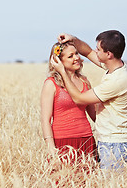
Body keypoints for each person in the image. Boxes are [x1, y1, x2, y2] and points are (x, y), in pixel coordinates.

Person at [51, 30, 127, 170]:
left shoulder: (117, 80)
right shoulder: (115, 66)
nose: (95, 51)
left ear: (109, 54)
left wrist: (63, 72)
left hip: (114, 143)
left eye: (99, 49)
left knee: (109, 186)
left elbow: (79, 98)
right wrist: (73, 39)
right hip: (109, 140)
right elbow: (88, 52)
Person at [40, 41, 97, 171]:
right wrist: (52, 151)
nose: (76, 57)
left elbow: (94, 114)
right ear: (58, 61)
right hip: (63, 143)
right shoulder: (51, 84)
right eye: (70, 56)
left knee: (88, 187)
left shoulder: (84, 81)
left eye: (76, 53)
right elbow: (45, 120)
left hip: (86, 140)